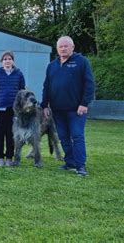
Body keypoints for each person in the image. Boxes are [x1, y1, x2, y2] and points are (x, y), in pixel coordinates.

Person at [41, 36, 95, 176]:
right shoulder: (51, 66)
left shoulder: (81, 62)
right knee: (64, 137)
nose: (63, 48)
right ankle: (70, 163)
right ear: (57, 49)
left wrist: (84, 103)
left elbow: (89, 84)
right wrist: (44, 105)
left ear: (72, 47)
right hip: (57, 109)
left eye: (66, 46)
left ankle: (81, 166)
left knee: (77, 136)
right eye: (61, 46)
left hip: (76, 109)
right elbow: (46, 86)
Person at [0, 51, 25, 167]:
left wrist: (20, 108)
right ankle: (0, 157)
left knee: (11, 135)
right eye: (5, 59)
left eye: (9, 59)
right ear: (1, 61)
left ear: (13, 61)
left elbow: (22, 92)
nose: (7, 61)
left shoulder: (19, 74)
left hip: (13, 110)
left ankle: (9, 157)